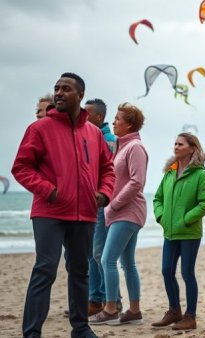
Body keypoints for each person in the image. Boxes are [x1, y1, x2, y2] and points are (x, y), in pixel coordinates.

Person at [12, 72, 115, 338]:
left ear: (79, 95)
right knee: (45, 269)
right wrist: (50, 191)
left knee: (80, 272)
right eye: (56, 88)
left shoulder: (92, 133)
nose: (58, 93)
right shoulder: (39, 129)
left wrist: (103, 194)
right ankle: (32, 332)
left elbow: (108, 169)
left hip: (84, 215)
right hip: (49, 211)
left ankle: (80, 328)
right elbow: (21, 167)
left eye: (66, 89)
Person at [89, 103, 148, 325]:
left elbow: (137, 182)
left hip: (128, 212)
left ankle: (111, 308)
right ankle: (134, 311)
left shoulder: (136, 148)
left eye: (117, 118)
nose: (113, 122)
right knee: (127, 263)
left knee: (107, 259)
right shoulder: (122, 147)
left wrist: (112, 206)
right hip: (121, 212)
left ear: (129, 123)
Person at [152, 132, 205, 330]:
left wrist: (185, 220)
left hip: (189, 233)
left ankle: (190, 316)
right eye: (175, 144)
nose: (176, 147)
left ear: (192, 148)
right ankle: (174, 310)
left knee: (187, 273)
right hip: (169, 233)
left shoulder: (201, 175)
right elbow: (157, 198)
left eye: (180, 144)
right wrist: (161, 217)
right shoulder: (169, 173)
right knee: (166, 271)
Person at [85, 98, 119, 317]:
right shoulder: (91, 135)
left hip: (101, 202)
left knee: (100, 254)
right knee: (92, 254)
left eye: (87, 115)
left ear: (98, 117)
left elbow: (104, 172)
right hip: (89, 201)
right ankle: (95, 299)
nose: (83, 118)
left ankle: (111, 301)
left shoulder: (108, 140)